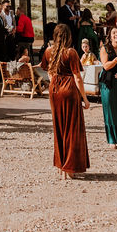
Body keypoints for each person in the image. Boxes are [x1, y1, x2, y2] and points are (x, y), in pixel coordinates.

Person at [40, 23, 90, 179]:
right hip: (69, 90)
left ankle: (61, 166)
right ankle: (70, 167)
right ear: (69, 36)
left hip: (54, 90)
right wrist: (85, 98)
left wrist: (55, 81)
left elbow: (48, 72)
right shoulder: (71, 53)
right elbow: (77, 78)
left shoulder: (49, 51)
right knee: (72, 129)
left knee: (59, 128)